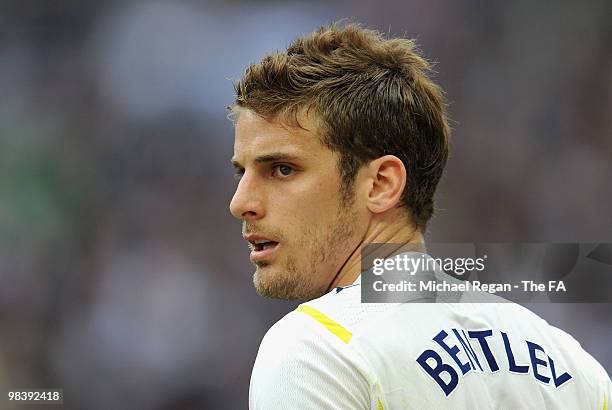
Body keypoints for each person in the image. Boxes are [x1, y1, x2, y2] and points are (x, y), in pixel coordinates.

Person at [228, 23, 611, 409]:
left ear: (381, 184)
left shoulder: (319, 351)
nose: (240, 202)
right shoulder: (576, 367)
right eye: (240, 172)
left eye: (282, 169)